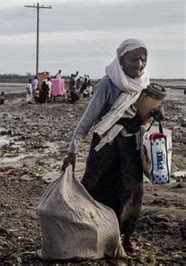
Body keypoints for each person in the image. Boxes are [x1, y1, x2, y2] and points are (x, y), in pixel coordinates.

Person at [61, 39, 162, 254]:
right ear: (121, 60)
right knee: (98, 188)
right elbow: (88, 119)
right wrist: (72, 150)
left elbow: (141, 118)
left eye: (144, 59)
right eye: (134, 59)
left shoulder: (145, 85)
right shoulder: (109, 84)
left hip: (130, 146)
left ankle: (124, 238)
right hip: (105, 146)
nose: (140, 64)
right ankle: (93, 235)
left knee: (131, 191)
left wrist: (154, 115)